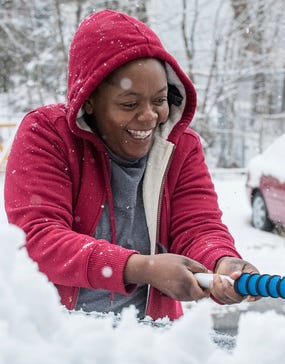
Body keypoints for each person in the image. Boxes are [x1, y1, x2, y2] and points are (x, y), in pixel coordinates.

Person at [4, 9, 259, 320]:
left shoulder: (180, 148)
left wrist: (221, 262)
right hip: (58, 338)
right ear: (89, 100)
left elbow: (197, 227)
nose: (150, 116)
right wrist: (141, 268)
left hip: (150, 342)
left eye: (160, 100)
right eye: (130, 104)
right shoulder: (46, 133)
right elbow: (39, 239)